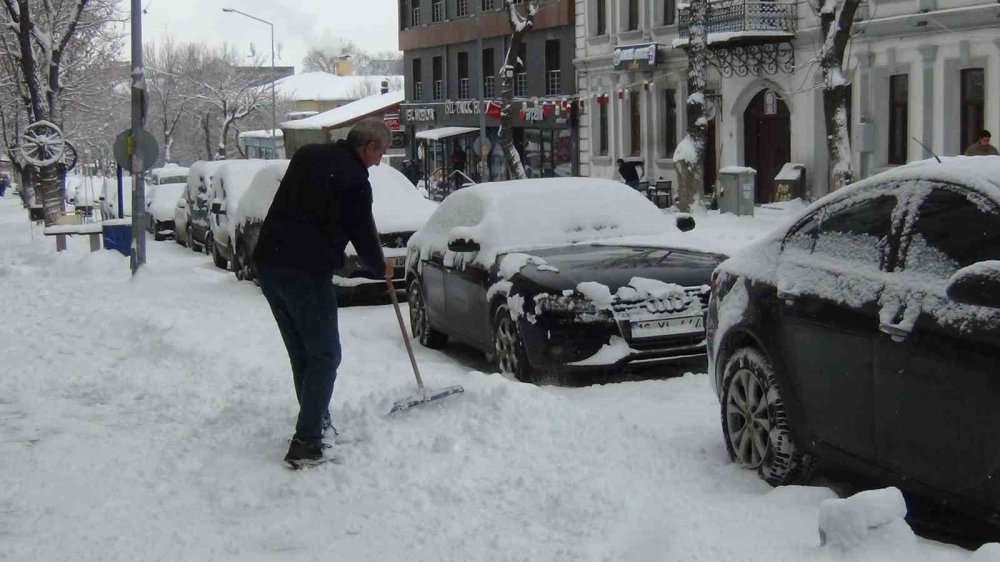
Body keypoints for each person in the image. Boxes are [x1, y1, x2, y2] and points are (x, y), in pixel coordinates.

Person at [252, 118, 396, 469]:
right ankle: (306, 443)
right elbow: (362, 232)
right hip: (304, 272)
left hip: (269, 265)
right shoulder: (355, 181)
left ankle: (316, 421)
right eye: (380, 153)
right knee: (326, 355)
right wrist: (380, 267)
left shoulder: (308, 155)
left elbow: (308, 211)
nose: (379, 162)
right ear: (368, 147)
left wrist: (339, 251)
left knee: (303, 351)